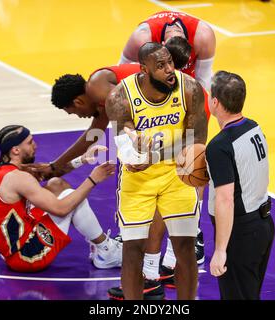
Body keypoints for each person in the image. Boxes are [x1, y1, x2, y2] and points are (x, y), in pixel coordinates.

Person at [105, 43, 208, 300]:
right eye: (160, 66)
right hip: (139, 180)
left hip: (177, 174)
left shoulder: (190, 89)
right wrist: (135, 152)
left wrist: (155, 155)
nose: (169, 70)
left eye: (170, 63)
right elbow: (124, 146)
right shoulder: (119, 97)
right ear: (144, 70)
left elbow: (197, 142)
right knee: (133, 250)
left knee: (184, 247)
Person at [0, 125, 122, 272]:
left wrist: (83, 159)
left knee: (56, 184)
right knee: (72, 199)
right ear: (16, 150)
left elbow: (46, 172)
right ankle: (106, 251)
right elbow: (62, 209)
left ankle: (98, 244)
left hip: (13, 243)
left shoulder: (0, 168)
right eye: (30, 142)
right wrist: (93, 179)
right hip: (26, 256)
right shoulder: (17, 178)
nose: (35, 145)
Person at [206, 71, 275, 299]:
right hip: (264, 225)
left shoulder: (219, 146)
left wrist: (220, 250)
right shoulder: (253, 127)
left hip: (241, 233)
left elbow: (225, 200)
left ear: (215, 102)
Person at [119, 10, 216, 91]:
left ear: (190, 45)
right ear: (162, 44)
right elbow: (122, 75)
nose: (170, 69)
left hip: (187, 78)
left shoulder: (203, 36)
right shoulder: (141, 39)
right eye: (164, 63)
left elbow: (204, 79)